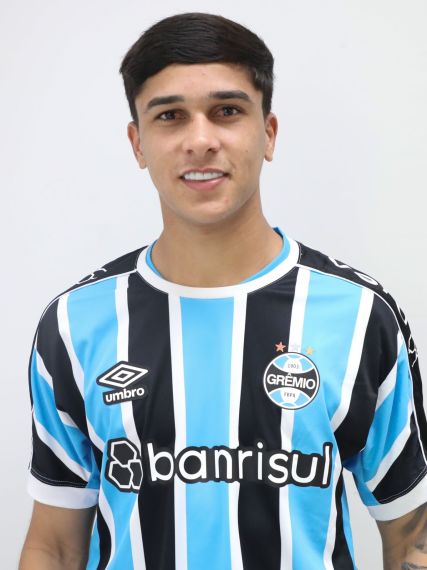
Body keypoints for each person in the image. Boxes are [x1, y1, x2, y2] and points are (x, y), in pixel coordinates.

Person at [19, 12, 427, 570]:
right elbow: (56, 545)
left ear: (269, 133)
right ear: (138, 143)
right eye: (170, 116)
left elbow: (410, 535)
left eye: (227, 111)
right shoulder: (75, 324)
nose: (201, 141)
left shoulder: (360, 316)